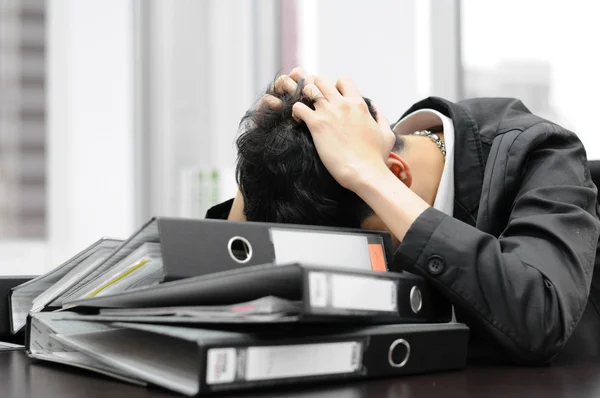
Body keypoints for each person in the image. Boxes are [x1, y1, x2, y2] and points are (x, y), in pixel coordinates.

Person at [206, 68, 600, 365]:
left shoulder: (541, 153)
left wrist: (372, 179)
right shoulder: (339, 177)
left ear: (396, 175)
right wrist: (260, 159)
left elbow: (540, 315)